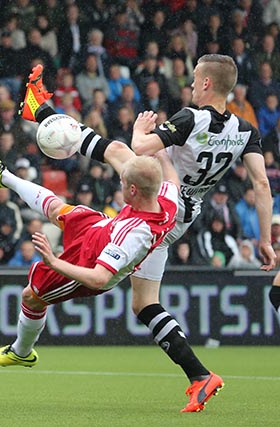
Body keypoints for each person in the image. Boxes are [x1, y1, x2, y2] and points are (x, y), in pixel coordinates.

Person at [19, 57, 275, 412]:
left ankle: (42, 111)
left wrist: (141, 128)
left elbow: (141, 148)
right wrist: (265, 239)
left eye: (195, 79)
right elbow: (261, 183)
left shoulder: (191, 116)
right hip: (184, 213)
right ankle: (200, 376)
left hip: (163, 201)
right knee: (144, 302)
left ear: (205, 85)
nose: (190, 85)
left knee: (120, 149)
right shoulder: (246, 130)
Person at [0, 144, 178, 384]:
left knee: (31, 296)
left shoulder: (133, 234)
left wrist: (53, 261)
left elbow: (98, 278)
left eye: (123, 183)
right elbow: (173, 181)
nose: (119, 185)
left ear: (134, 190)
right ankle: (6, 177)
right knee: (55, 208)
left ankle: (21, 352)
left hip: (90, 260)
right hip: (102, 229)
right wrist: (163, 157)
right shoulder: (166, 200)